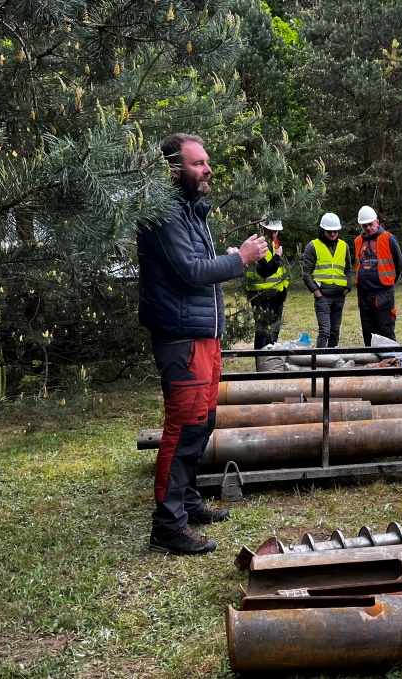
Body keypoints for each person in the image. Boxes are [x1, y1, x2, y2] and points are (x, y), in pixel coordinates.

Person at [137, 133, 267, 555]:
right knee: (184, 429)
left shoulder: (191, 212)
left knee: (203, 423)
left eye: (206, 162)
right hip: (182, 337)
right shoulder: (164, 212)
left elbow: (196, 269)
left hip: (204, 335)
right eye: (198, 164)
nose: (207, 169)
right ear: (175, 171)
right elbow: (190, 272)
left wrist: (227, 258)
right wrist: (239, 259)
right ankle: (167, 528)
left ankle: (188, 502)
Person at [301, 212, 353, 348]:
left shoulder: (344, 246)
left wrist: (348, 287)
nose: (333, 234)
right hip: (322, 296)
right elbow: (306, 272)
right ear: (323, 230)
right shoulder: (313, 246)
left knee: (335, 332)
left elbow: (348, 269)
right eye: (330, 231)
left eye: (335, 231)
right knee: (324, 331)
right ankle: (320, 361)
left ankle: (332, 360)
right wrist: (316, 291)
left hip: (340, 295)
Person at [354, 206, 402, 346]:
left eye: (371, 224)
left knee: (385, 331)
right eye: (365, 225)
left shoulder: (388, 238)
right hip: (363, 294)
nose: (368, 228)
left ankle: (390, 362)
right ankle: (372, 364)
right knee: (368, 332)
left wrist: (389, 281)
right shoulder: (358, 241)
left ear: (377, 222)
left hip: (383, 293)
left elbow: (398, 264)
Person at [245, 216, 288, 349]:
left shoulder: (277, 243)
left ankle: (271, 361)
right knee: (262, 331)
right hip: (260, 295)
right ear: (263, 229)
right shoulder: (256, 245)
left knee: (274, 331)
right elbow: (264, 271)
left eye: (276, 231)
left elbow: (281, 271)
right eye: (271, 231)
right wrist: (277, 257)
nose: (274, 234)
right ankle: (261, 364)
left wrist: (283, 291)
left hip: (277, 295)